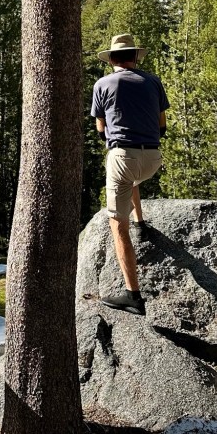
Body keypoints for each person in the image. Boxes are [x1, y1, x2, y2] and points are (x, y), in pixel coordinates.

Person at [90, 33, 169, 315]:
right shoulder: (153, 81)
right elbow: (162, 126)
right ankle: (140, 220)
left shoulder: (103, 84)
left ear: (111, 59)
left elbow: (100, 128)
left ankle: (133, 296)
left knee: (116, 224)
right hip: (153, 158)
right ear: (135, 58)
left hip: (123, 155)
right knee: (130, 180)